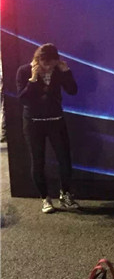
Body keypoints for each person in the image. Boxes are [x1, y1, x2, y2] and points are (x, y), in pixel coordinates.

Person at [16, 43, 79, 213]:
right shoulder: (24, 71)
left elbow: (72, 90)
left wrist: (66, 72)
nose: (48, 67)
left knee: (65, 159)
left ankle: (65, 194)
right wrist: (33, 79)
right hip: (33, 122)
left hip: (55, 120)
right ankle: (45, 198)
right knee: (38, 161)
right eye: (45, 63)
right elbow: (23, 99)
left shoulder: (58, 70)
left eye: (52, 63)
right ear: (38, 60)